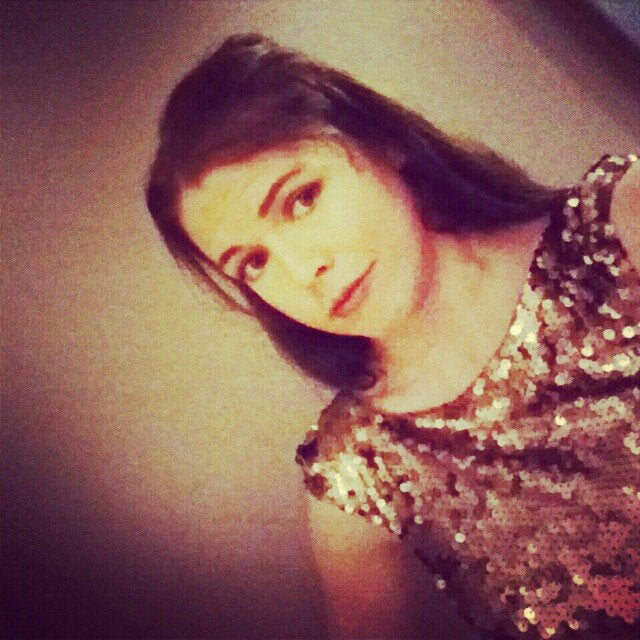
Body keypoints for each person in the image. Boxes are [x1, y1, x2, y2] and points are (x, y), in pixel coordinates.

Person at [146, 33, 640, 640]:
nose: (303, 270)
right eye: (254, 263)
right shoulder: (357, 479)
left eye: (302, 199)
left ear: (382, 142)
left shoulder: (621, 229)